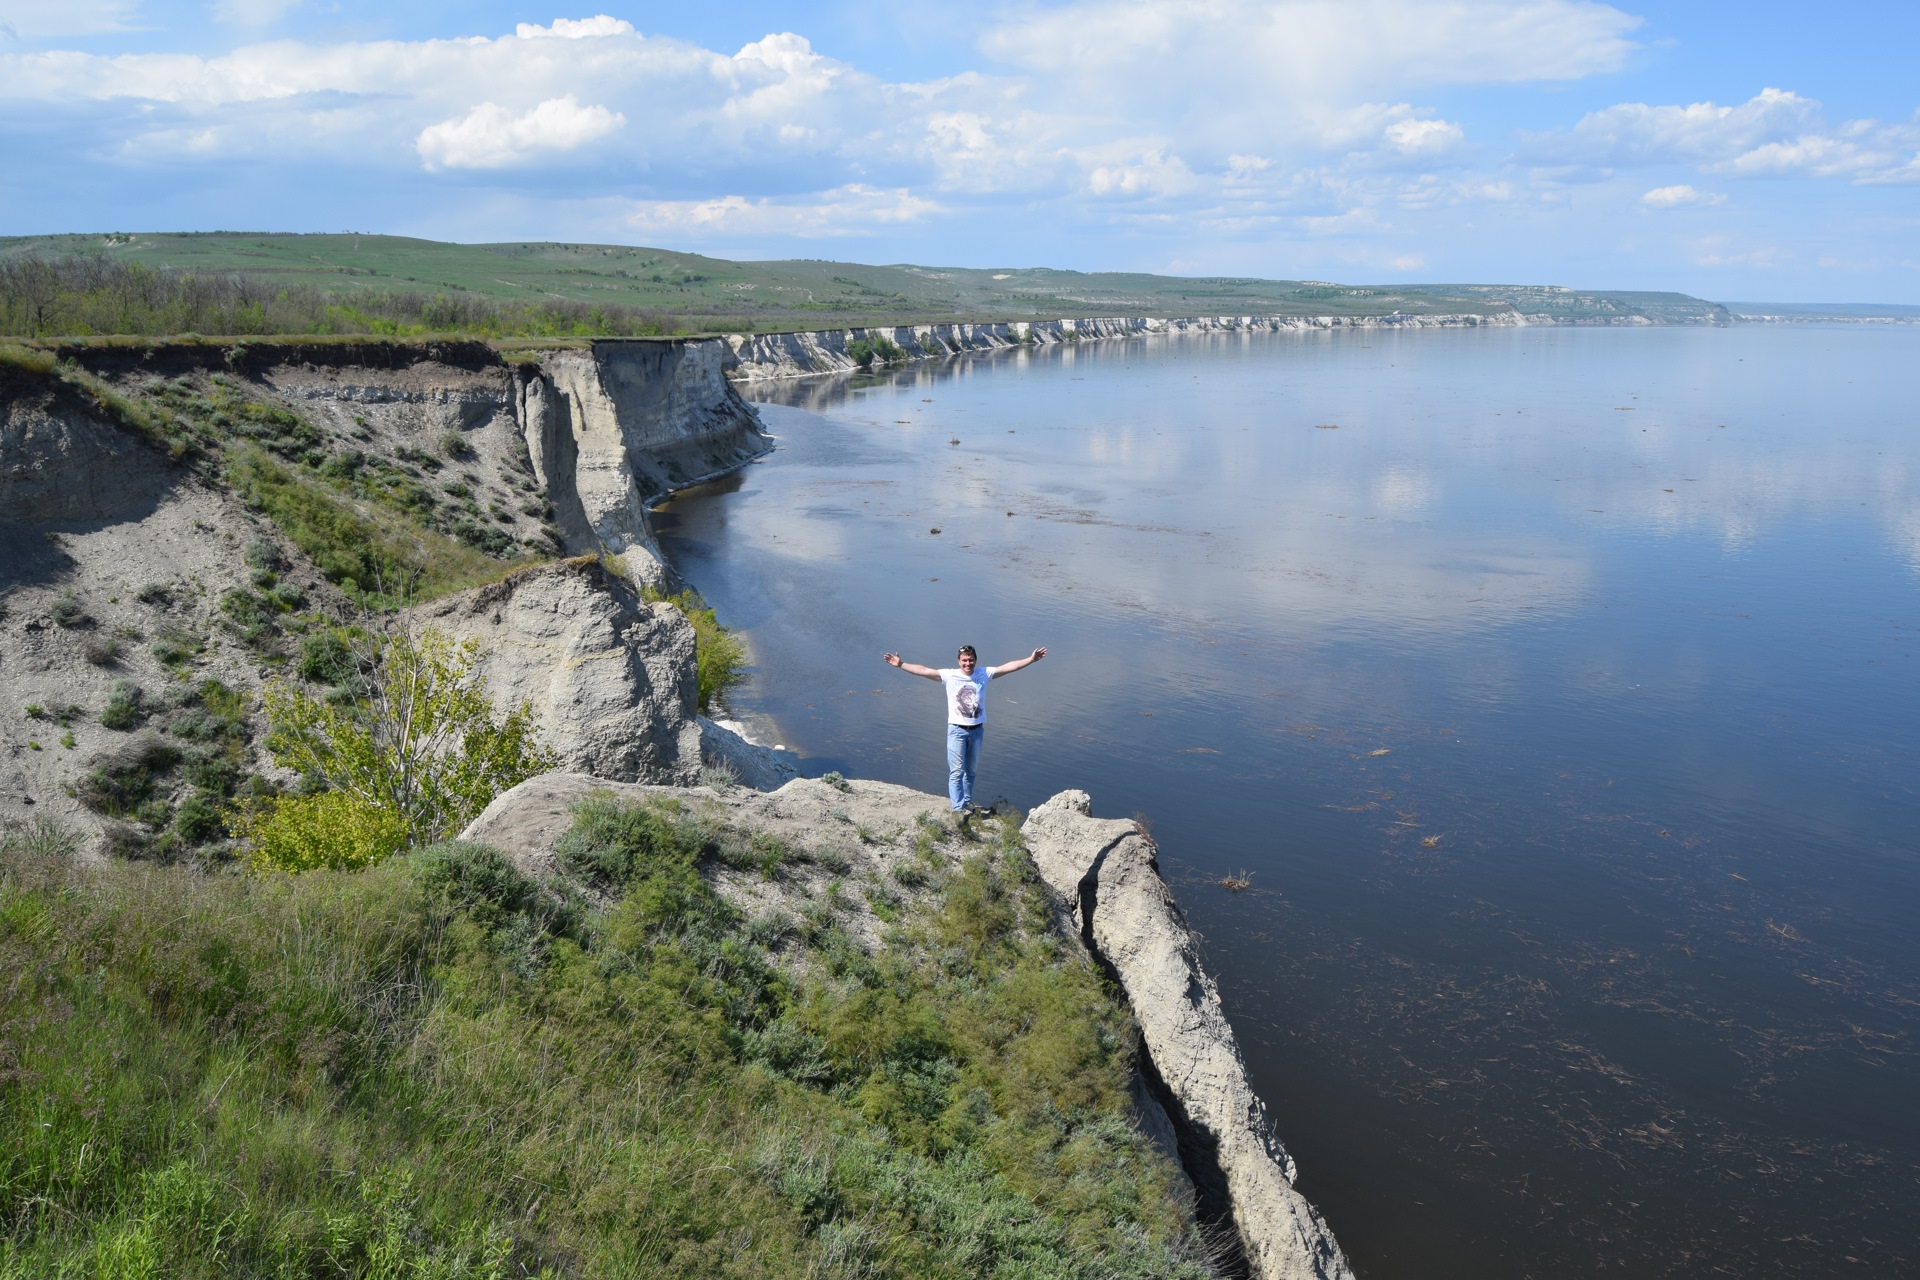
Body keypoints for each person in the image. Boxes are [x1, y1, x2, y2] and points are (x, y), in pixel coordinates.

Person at [883, 643, 1047, 816]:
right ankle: (957, 808)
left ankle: (966, 802)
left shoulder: (984, 674)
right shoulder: (950, 676)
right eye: (964, 660)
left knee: (971, 771)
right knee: (956, 771)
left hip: (977, 731)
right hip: (957, 731)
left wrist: (1031, 659)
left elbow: (1008, 667)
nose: (968, 663)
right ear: (958, 661)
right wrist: (901, 664)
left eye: (971, 660)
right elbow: (924, 670)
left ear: (975, 660)